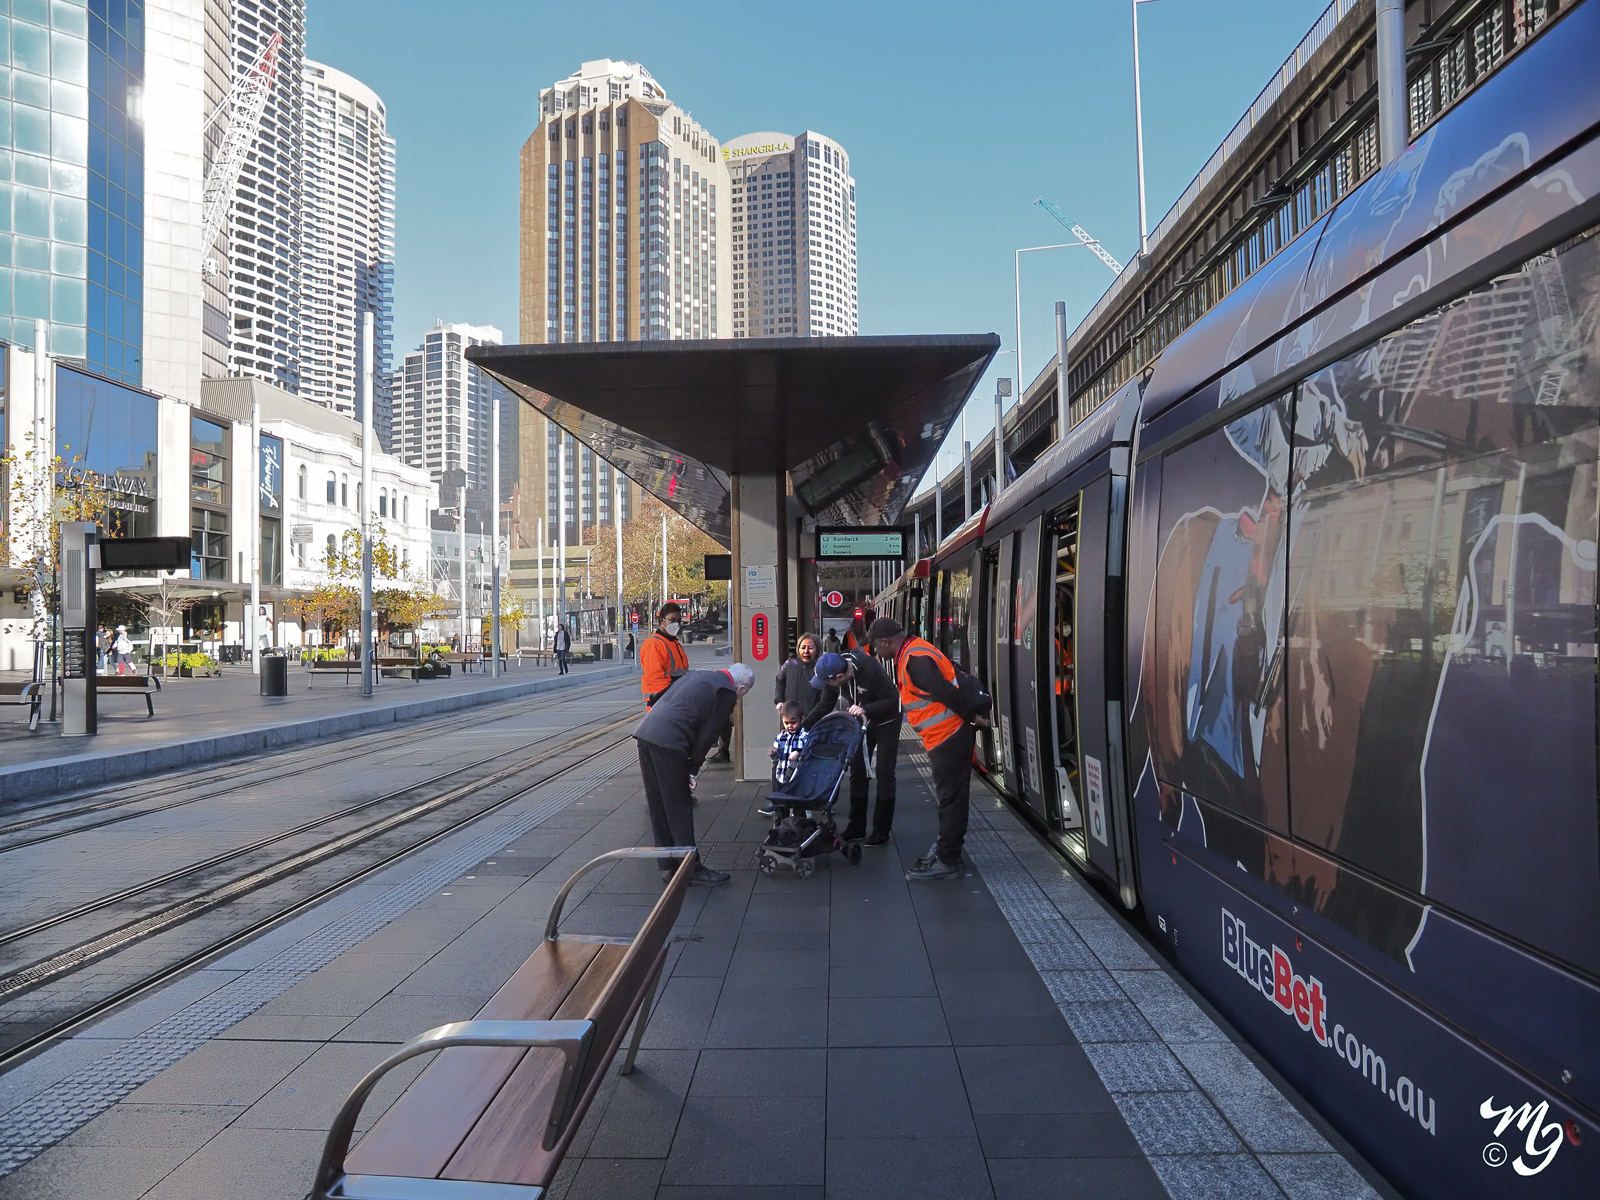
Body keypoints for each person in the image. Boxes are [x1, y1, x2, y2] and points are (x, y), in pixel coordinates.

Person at [867, 616, 988, 880]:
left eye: (876, 647)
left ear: (885, 641)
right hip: (945, 735)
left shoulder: (914, 660)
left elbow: (945, 691)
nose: (876, 653)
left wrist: (970, 717)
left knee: (950, 799)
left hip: (949, 735)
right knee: (950, 798)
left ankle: (948, 860)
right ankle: (946, 850)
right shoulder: (915, 650)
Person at [634, 663, 755, 886]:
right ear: (741, 688)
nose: (739, 698)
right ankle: (691, 869)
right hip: (670, 742)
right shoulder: (726, 691)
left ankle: (669, 866)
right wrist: (692, 770)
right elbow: (708, 735)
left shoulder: (698, 675)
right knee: (679, 807)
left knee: (658, 805)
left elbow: (659, 696)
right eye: (744, 694)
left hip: (646, 734)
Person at [802, 648, 901, 843]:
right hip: (861, 722)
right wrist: (803, 727)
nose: (826, 685)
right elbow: (825, 705)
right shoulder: (832, 677)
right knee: (857, 770)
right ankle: (856, 827)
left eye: (828, 682)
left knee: (884, 771)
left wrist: (865, 708)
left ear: (839, 677)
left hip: (887, 721)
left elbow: (892, 700)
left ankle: (881, 830)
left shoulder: (870, 669)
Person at [640, 602, 689, 707]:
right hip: (662, 703)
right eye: (672, 620)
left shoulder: (673, 642)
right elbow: (656, 679)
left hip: (675, 701)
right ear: (662, 621)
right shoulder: (654, 644)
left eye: (678, 621)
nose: (676, 624)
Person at [772, 633, 822, 718]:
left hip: (811, 717)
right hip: (789, 716)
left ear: (817, 650)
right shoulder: (789, 664)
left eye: (810, 648)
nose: (806, 651)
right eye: (803, 647)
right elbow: (780, 682)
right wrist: (779, 701)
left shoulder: (820, 669)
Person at [770, 700, 810, 787]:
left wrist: (799, 753)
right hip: (782, 775)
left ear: (801, 720)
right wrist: (774, 753)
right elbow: (777, 757)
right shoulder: (781, 737)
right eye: (786, 723)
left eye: (793, 722)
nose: (789, 725)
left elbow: (809, 750)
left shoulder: (804, 735)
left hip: (799, 777)